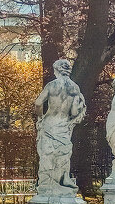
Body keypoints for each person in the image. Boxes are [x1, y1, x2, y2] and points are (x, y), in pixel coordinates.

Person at [34, 59, 87, 195]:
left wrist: (40, 117)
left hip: (49, 123)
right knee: (63, 155)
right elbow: (75, 112)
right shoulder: (75, 88)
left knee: (47, 155)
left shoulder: (52, 85)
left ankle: (47, 186)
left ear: (56, 70)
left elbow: (38, 103)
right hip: (64, 126)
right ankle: (61, 182)